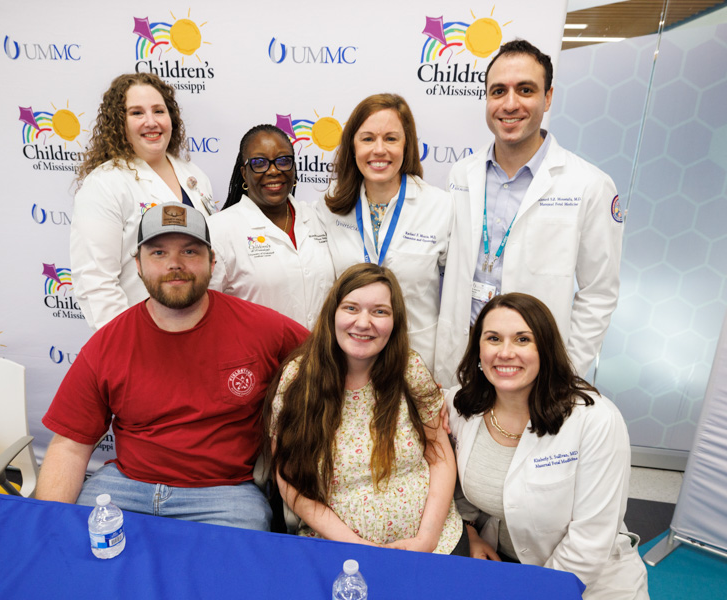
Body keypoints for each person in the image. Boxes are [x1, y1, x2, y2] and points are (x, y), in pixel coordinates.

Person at [37, 203, 309, 531]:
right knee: (75, 553)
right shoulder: (108, 343)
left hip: (224, 495)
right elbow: (69, 446)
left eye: (190, 251)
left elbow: (329, 364)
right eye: (159, 253)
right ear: (137, 265)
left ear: (211, 262)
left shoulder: (264, 329)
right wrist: (47, 529)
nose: (175, 265)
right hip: (123, 487)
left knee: (234, 574)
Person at [434, 40, 622, 388]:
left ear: (548, 97)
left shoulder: (590, 185)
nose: (510, 104)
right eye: (498, 91)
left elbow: (599, 292)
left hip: (535, 374)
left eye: (525, 90)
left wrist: (564, 371)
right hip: (460, 365)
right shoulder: (462, 174)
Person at [447, 292, 648, 598]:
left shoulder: (595, 420)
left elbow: (590, 539)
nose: (505, 352)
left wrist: (538, 592)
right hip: (503, 567)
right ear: (478, 350)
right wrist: (469, 531)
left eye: (522, 340)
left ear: (545, 349)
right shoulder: (462, 405)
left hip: (590, 581)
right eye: (493, 339)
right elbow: (454, 483)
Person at [268, 263, 464, 553]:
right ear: (332, 313)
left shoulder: (409, 369)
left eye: (379, 311)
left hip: (435, 543)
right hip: (337, 547)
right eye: (351, 308)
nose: (363, 322)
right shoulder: (298, 379)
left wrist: (427, 539)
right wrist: (358, 546)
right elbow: (289, 479)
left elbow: (439, 456)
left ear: (394, 321)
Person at [316, 93, 453, 373]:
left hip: (417, 361)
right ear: (352, 146)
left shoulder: (441, 207)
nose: (379, 150)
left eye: (391, 138)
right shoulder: (331, 205)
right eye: (367, 139)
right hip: (348, 363)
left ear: (407, 145)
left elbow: (455, 301)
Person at [71, 72, 216, 330]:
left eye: (159, 111)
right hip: (139, 334)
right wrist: (122, 343)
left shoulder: (195, 176)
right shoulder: (105, 184)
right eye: (137, 113)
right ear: (120, 123)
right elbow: (95, 280)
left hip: (199, 328)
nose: (151, 122)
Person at [207, 124, 335, 329]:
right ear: (244, 172)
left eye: (284, 161)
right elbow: (207, 312)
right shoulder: (218, 230)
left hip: (321, 358)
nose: (274, 170)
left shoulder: (318, 218)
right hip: (258, 358)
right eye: (259, 163)